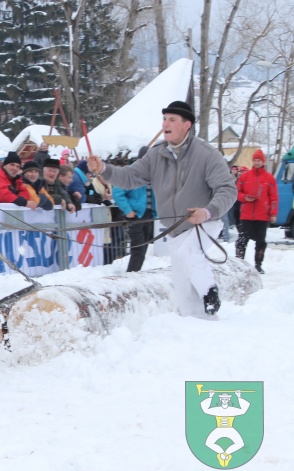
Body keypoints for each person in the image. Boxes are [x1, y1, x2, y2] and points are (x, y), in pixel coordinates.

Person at [87, 100, 237, 317]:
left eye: (172, 119)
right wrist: (103, 169)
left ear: (187, 125)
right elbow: (129, 177)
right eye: (164, 119)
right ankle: (202, 326)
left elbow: (227, 190)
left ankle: (210, 291)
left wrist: (207, 211)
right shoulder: (156, 155)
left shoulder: (206, 154)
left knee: (190, 252)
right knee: (184, 292)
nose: (165, 123)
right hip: (175, 230)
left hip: (204, 222)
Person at [113, 146, 157, 272]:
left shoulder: (152, 174)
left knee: (144, 246)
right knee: (138, 248)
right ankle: (131, 274)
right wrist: (128, 211)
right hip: (136, 215)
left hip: (149, 214)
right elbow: (117, 192)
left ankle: (134, 273)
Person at [235, 149, 278, 274]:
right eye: (255, 160)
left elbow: (273, 197)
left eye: (259, 160)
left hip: (262, 215)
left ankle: (258, 264)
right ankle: (239, 263)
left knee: (261, 241)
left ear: (263, 161)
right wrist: (244, 198)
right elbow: (236, 193)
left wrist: (273, 213)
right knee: (242, 240)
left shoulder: (269, 178)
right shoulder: (244, 177)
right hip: (246, 214)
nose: (257, 162)